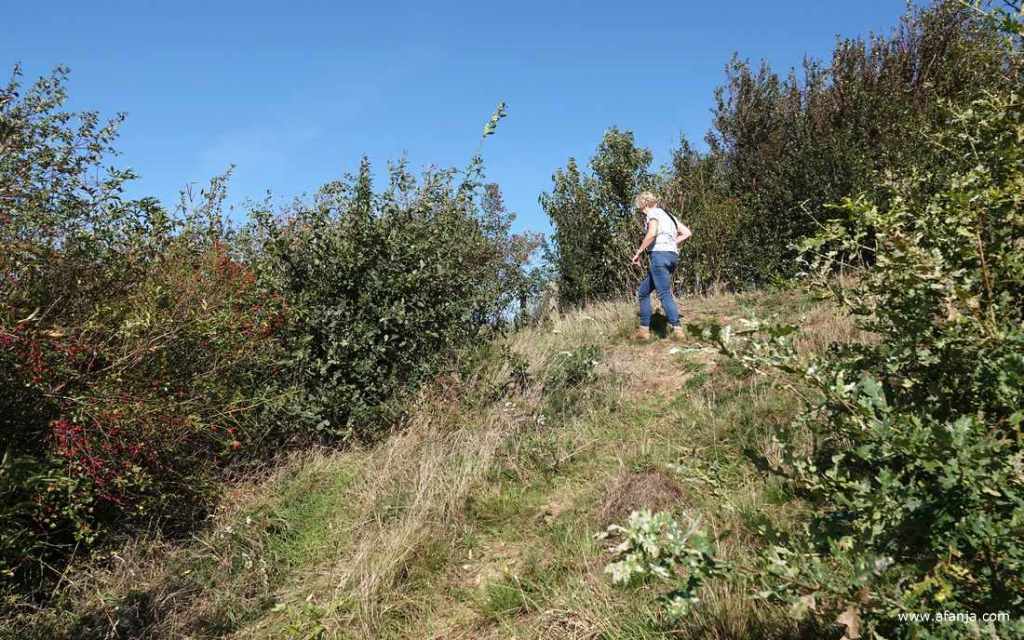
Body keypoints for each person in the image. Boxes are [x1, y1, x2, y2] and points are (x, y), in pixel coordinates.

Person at [630, 191, 691, 340]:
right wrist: (671, 243)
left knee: (663, 293)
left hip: (659, 256)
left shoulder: (653, 213)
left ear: (645, 204)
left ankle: (677, 329)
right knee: (643, 291)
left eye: (641, 208)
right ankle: (644, 330)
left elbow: (652, 233)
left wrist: (639, 252)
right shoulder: (669, 216)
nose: (642, 212)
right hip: (672, 256)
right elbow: (687, 233)